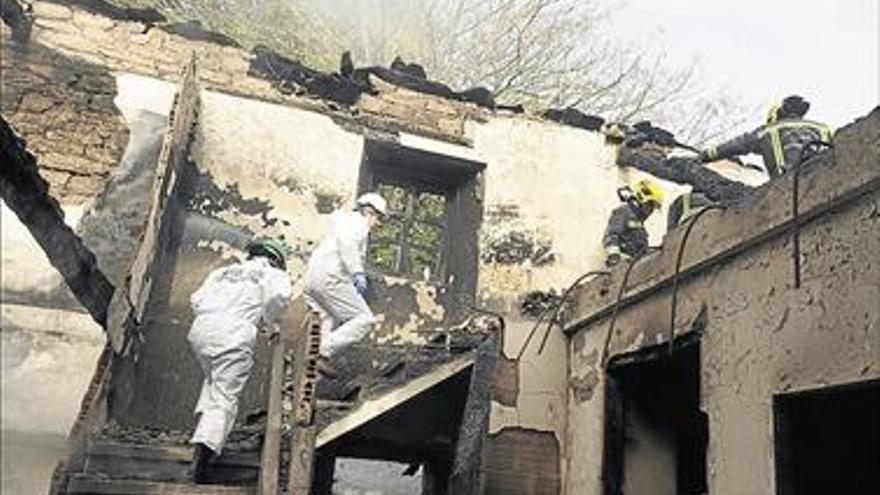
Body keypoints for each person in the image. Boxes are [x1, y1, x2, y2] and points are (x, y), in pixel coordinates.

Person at [187, 238, 292, 482]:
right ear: (276, 261)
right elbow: (276, 300)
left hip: (201, 330)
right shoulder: (274, 275)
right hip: (234, 334)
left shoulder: (223, 272)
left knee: (213, 382)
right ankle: (202, 457)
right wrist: (271, 324)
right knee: (225, 396)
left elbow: (196, 299)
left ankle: (204, 431)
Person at [304, 192, 387, 374]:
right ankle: (319, 353)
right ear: (369, 212)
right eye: (379, 219)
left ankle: (315, 359)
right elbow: (347, 245)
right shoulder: (358, 223)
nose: (378, 225)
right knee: (365, 320)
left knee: (327, 317)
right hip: (331, 277)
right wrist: (357, 272)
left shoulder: (341, 221)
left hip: (312, 279)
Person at [699, 95, 834, 178]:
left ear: (774, 116)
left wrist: (706, 156)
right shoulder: (823, 129)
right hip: (824, 179)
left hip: (787, 186)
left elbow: (736, 145)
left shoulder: (768, 131)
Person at [603, 178, 664, 266]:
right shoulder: (624, 212)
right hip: (623, 267)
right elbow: (611, 235)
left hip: (634, 267)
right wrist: (614, 255)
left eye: (654, 207)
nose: (651, 211)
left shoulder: (640, 225)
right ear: (641, 198)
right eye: (650, 205)